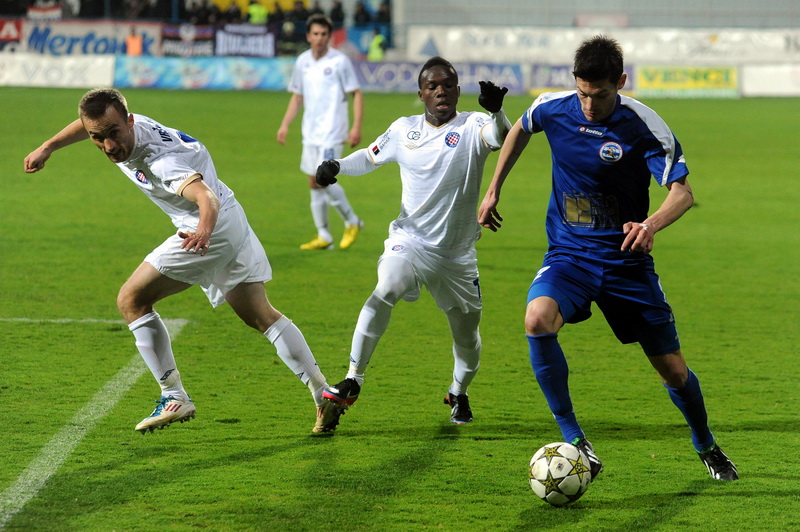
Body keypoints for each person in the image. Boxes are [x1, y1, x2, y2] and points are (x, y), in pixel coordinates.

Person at [477, 35, 738, 481]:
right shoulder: (554, 107)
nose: (590, 105)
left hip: (625, 263)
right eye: (582, 93)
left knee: (674, 370)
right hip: (569, 255)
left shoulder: (643, 126)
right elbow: (521, 126)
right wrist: (494, 187)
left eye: (599, 95)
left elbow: (683, 193)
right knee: (536, 319)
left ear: (619, 81)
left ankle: (706, 444)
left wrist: (650, 224)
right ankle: (577, 441)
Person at [23, 88, 340, 435]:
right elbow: (90, 123)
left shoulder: (159, 160)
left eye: (113, 135)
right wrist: (48, 146)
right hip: (231, 217)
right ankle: (323, 393)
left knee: (132, 300)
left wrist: (203, 231)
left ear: (129, 123)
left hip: (207, 227)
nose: (109, 146)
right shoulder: (124, 123)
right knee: (261, 315)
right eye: (98, 139)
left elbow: (205, 197)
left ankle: (173, 395)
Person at [315, 57, 511, 431]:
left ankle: (458, 391)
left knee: (467, 336)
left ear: (457, 90)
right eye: (433, 85)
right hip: (411, 240)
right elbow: (370, 157)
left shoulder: (473, 125)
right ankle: (353, 378)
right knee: (386, 287)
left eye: (449, 84)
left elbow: (499, 137)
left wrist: (498, 111)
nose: (442, 90)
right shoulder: (403, 130)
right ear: (420, 93)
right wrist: (337, 166)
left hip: (456, 256)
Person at [277, 13, 364, 251]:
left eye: (324, 34)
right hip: (311, 132)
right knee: (313, 182)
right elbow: (297, 96)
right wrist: (285, 124)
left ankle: (352, 220)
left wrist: (356, 126)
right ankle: (324, 235)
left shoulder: (339, 62)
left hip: (333, 131)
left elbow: (356, 92)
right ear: (308, 36)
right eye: (315, 34)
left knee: (325, 177)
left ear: (329, 36)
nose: (319, 38)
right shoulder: (303, 61)